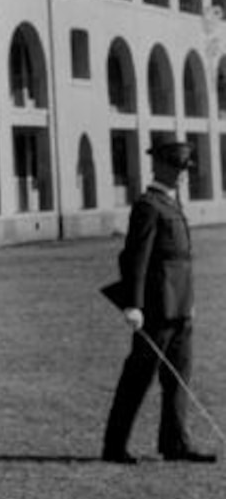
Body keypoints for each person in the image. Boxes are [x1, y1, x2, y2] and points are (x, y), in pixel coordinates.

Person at [102, 141, 217, 465]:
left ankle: (175, 443)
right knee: (137, 378)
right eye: (178, 169)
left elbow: (180, 261)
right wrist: (133, 305)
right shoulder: (148, 205)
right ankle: (114, 446)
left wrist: (189, 302)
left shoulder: (171, 203)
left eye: (185, 170)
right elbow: (135, 259)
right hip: (156, 309)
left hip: (180, 307)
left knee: (179, 379)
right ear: (161, 167)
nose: (183, 175)